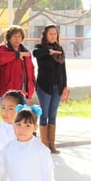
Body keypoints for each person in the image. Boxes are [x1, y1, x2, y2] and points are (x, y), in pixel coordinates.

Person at [33, 24, 68, 154]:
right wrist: (49, 52)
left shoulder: (60, 49)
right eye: (51, 34)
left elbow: (63, 70)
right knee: (44, 114)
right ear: (46, 35)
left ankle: (52, 144)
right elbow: (35, 53)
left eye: (55, 34)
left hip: (57, 87)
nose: (53, 36)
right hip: (44, 86)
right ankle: (44, 145)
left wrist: (65, 86)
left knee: (53, 115)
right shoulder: (40, 48)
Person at [0, 25, 35, 100]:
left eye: (19, 36)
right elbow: (0, 59)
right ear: (9, 37)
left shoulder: (26, 52)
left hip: (23, 91)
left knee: (20, 111)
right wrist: (17, 55)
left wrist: (32, 86)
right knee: (7, 111)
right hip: (6, 91)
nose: (17, 39)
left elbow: (31, 71)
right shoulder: (3, 49)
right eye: (14, 36)